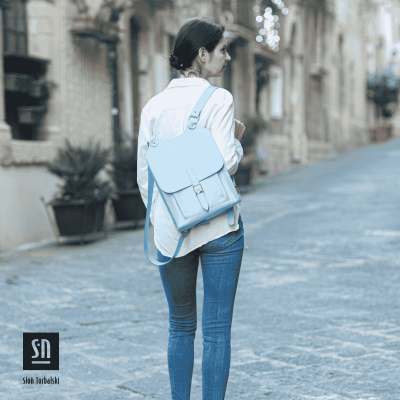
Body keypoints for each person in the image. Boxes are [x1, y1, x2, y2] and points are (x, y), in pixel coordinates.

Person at [137, 18, 246, 400]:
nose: (227, 57)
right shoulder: (219, 99)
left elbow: (145, 176)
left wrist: (164, 221)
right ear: (202, 54)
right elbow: (226, 163)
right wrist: (238, 141)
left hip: (172, 231)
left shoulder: (153, 107)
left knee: (180, 327)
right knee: (216, 331)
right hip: (219, 227)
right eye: (222, 50)